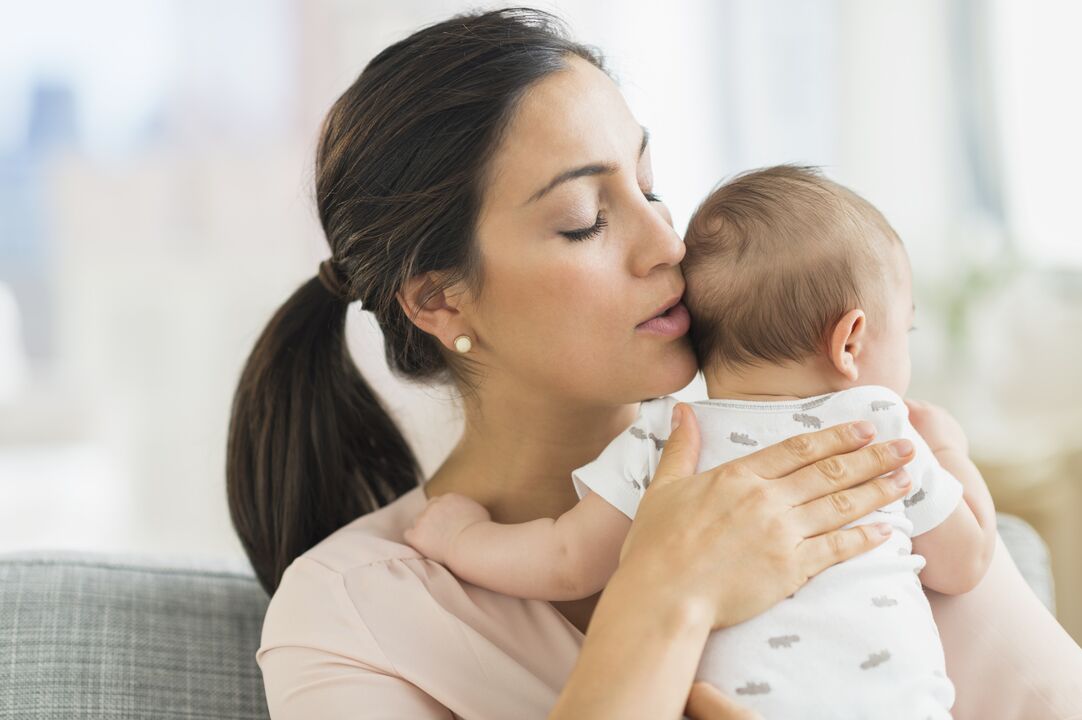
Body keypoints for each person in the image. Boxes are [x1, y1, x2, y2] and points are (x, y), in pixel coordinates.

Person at [225, 8, 1082, 720]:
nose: (666, 242)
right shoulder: (355, 614)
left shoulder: (849, 468)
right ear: (440, 300)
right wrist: (666, 599)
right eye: (585, 220)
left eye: (650, 183)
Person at [402, 166, 999, 718]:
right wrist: (950, 453)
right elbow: (966, 562)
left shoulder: (667, 436)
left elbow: (567, 563)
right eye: (908, 329)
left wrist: (461, 538)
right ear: (851, 341)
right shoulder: (880, 429)